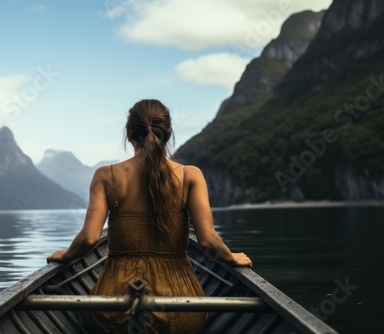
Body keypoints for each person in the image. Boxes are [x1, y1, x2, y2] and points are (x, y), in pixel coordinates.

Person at [47, 99, 252, 333]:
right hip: (180, 311)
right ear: (169, 132)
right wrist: (232, 258)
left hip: (112, 310)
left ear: (129, 134)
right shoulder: (190, 176)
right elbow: (207, 241)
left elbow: (89, 238)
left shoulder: (106, 176)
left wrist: (66, 255)